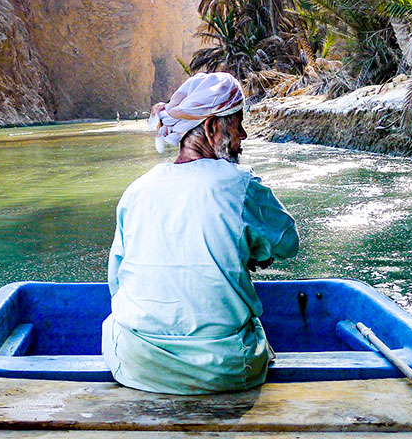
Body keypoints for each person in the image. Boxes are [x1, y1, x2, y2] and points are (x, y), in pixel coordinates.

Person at [101, 71, 299, 394]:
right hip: (223, 369)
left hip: (135, 364)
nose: (244, 136)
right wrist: (254, 250)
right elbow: (288, 243)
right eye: (237, 124)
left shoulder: (136, 192)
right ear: (211, 128)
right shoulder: (240, 185)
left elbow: (117, 283)